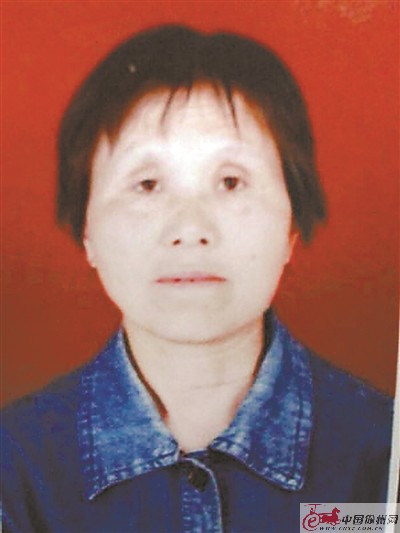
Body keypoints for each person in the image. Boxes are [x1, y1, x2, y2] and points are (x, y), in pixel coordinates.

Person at [1, 24, 393, 532]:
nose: (190, 229)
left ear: (292, 226)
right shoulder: (14, 470)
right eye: (147, 184)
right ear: (87, 230)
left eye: (230, 182)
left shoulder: (383, 459)